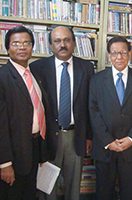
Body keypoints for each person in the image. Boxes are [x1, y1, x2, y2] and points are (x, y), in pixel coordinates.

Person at [0, 26, 48, 200]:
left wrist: (41, 153)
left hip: (33, 149)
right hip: (11, 154)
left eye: (27, 43)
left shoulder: (34, 76)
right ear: (7, 48)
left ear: (32, 47)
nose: (22, 47)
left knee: (28, 195)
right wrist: (5, 163)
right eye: (16, 43)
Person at [30, 26, 94, 200]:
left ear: (74, 43)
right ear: (50, 45)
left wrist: (88, 136)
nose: (62, 45)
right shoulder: (37, 68)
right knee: (46, 184)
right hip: (49, 135)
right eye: (57, 41)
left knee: (73, 185)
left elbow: (89, 105)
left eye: (67, 40)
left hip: (76, 135)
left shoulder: (86, 68)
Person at [89, 36, 132, 200]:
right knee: (103, 192)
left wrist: (131, 138)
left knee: (130, 193)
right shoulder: (97, 79)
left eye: (123, 52)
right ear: (109, 55)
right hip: (105, 147)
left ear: (130, 54)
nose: (119, 57)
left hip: (131, 148)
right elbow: (93, 112)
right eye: (115, 53)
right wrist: (108, 141)